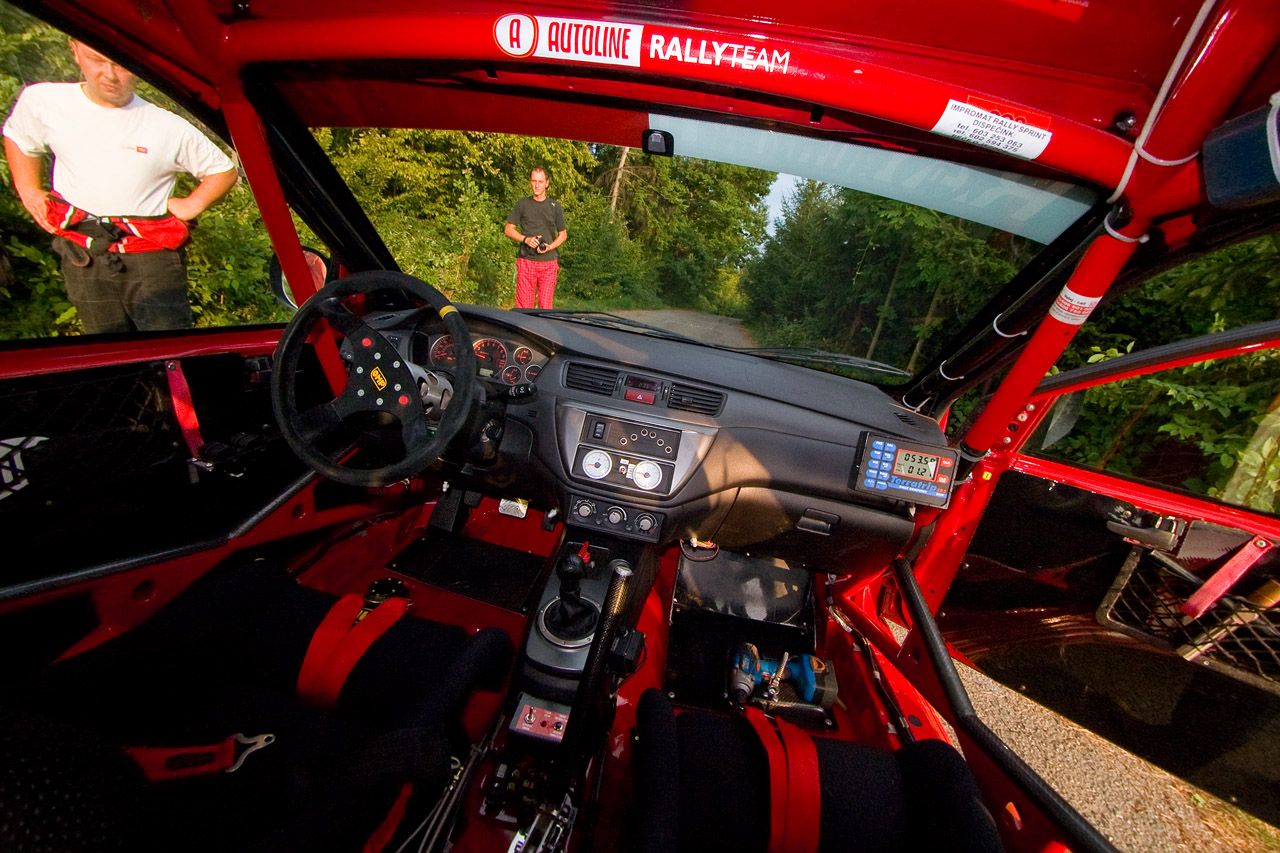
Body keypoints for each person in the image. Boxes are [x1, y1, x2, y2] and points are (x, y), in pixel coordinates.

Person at [3, 39, 238, 334]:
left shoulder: (166, 125)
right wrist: (28, 191)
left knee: (168, 346)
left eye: (120, 64)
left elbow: (222, 171)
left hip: (151, 254)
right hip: (83, 251)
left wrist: (192, 204)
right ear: (75, 51)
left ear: (138, 66)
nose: (109, 74)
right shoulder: (44, 101)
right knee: (105, 348)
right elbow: (19, 137)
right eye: (96, 60)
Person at [504, 167, 567, 309]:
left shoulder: (555, 206)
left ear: (547, 183)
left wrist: (550, 246)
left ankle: (543, 331)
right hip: (527, 261)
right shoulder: (523, 204)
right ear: (530, 183)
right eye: (534, 181)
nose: (537, 185)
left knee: (545, 307)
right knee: (524, 308)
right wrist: (525, 239)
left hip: (549, 263)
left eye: (540, 181)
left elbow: (563, 234)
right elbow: (508, 229)